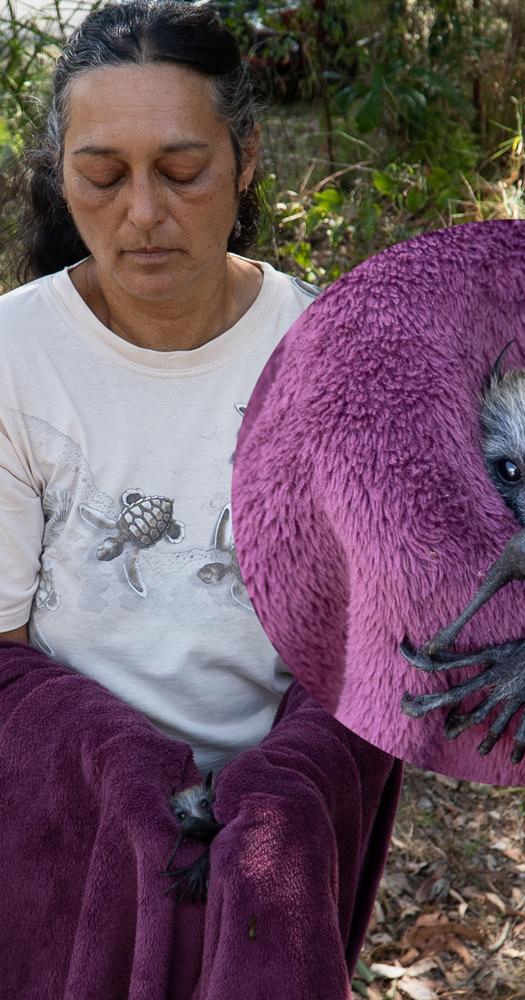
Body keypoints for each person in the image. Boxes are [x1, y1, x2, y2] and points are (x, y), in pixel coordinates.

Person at [0, 0, 321, 777]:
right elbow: (7, 658)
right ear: (59, 169)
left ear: (245, 158)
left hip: (271, 791)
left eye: (182, 172)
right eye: (103, 176)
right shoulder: (15, 357)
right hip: (69, 791)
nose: (143, 213)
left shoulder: (319, 349)